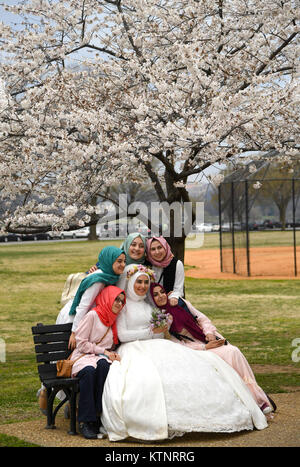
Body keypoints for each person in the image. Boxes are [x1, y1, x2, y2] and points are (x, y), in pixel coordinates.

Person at [100, 265, 268, 442]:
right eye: (138, 282)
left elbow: (157, 332)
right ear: (131, 282)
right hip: (133, 348)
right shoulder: (122, 306)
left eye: (145, 282)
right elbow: (123, 335)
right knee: (147, 379)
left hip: (157, 345)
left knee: (189, 368)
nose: (142, 286)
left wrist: (159, 330)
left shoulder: (150, 307)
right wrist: (149, 332)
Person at [149, 283, 275, 415]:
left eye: (162, 292)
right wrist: (203, 347)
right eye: (155, 295)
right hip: (195, 349)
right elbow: (175, 344)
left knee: (234, 352)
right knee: (231, 353)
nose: (161, 296)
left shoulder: (180, 303)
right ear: (152, 299)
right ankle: (254, 400)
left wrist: (209, 333)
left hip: (208, 338)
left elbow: (202, 319)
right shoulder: (160, 318)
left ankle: (257, 397)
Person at [71, 286, 126, 439]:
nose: (119, 304)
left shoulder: (113, 320)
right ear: (108, 298)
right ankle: (85, 421)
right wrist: (104, 351)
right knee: (89, 372)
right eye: (116, 299)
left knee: (104, 368)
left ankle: (97, 416)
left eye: (122, 301)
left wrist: (110, 354)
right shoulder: (93, 316)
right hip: (83, 356)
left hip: (100, 358)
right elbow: (81, 343)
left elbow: (112, 345)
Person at [56, 245, 126, 350]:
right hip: (73, 320)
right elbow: (83, 306)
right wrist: (74, 332)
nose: (123, 265)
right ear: (109, 260)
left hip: (83, 320)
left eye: (124, 261)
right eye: (119, 261)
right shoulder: (99, 280)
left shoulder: (108, 275)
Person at [146, 236, 184, 306]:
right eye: (153, 249)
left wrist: (173, 297)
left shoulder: (176, 264)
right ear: (148, 251)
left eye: (160, 247)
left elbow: (178, 290)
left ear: (165, 247)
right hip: (149, 304)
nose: (157, 252)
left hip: (169, 303)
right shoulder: (146, 265)